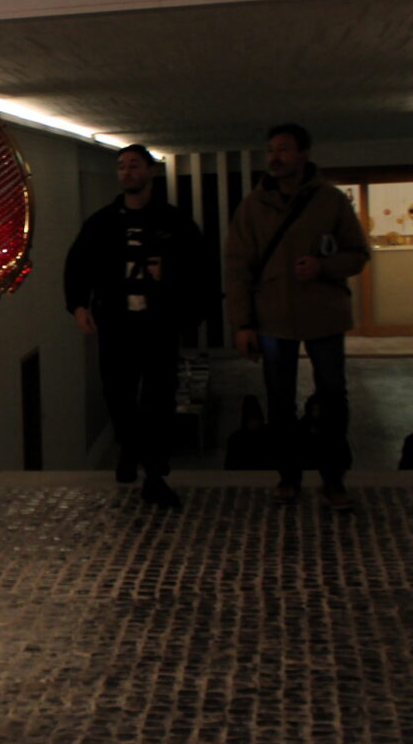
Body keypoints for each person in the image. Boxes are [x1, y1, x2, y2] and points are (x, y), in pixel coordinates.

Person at [223, 122, 370, 511]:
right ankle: (288, 477)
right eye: (271, 149)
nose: (275, 156)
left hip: (324, 316)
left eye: (284, 149)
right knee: (279, 400)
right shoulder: (253, 207)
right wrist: (242, 324)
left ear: (304, 154)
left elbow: (357, 254)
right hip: (273, 317)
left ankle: (333, 480)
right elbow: (237, 268)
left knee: (333, 398)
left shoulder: (331, 201)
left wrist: (324, 267)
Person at [65, 144, 209, 509]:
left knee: (159, 397)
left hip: (158, 324)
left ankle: (155, 472)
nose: (126, 172)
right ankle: (130, 449)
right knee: (118, 393)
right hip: (116, 323)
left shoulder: (174, 223)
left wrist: (182, 304)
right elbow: (78, 263)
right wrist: (79, 305)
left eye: (133, 165)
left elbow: (199, 269)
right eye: (122, 166)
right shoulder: (102, 223)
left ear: (150, 171)